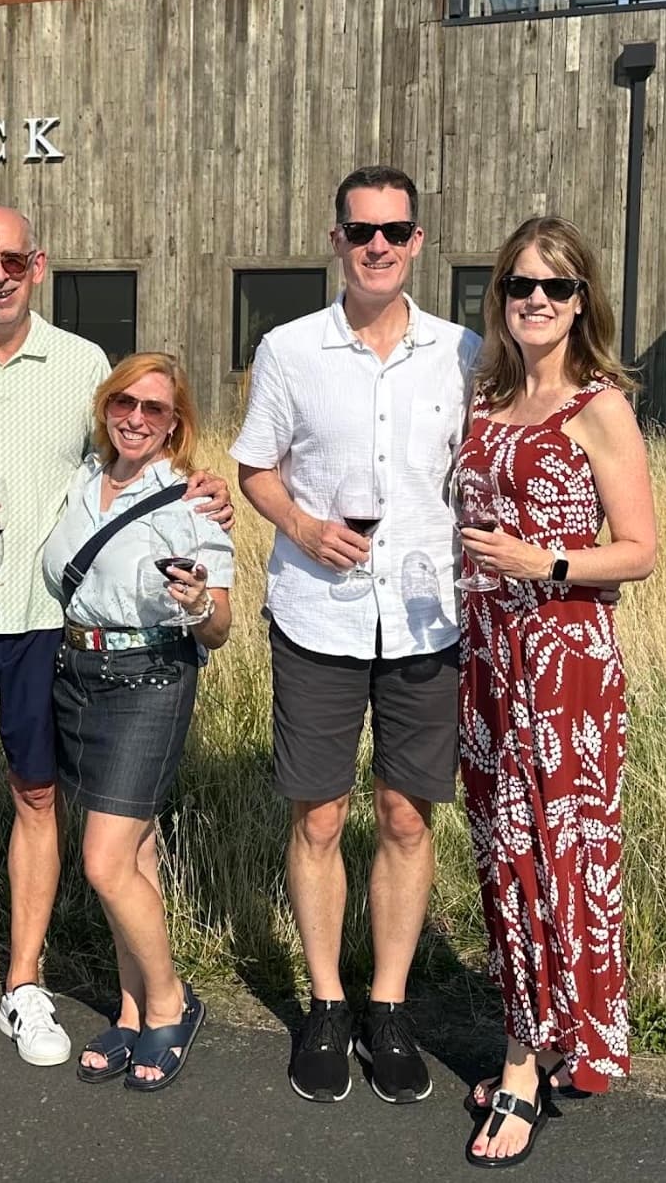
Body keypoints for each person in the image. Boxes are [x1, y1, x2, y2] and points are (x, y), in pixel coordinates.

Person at [0, 206, 233, 1099]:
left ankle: (24, 985)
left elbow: (130, 459)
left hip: (44, 629)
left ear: (38, 264)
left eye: (14, 258)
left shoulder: (82, 366)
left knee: (38, 799)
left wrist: (198, 487)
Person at [230, 165, 480, 1105]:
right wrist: (301, 527)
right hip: (318, 616)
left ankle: (388, 1004)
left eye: (395, 230)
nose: (378, 245)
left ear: (417, 242)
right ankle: (327, 1004)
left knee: (408, 816)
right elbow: (255, 467)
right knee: (321, 815)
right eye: (361, 230)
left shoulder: (463, 351)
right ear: (336, 240)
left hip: (425, 615)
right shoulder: (291, 351)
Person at [454, 215, 657, 1168]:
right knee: (503, 856)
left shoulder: (599, 406)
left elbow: (642, 551)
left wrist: (547, 559)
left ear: (583, 305)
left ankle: (528, 1066)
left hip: (563, 657)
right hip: (488, 656)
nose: (536, 301)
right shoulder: (487, 400)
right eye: (519, 286)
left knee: (556, 856)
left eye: (556, 288)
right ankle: (535, 1033)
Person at [40, 353, 234, 1092]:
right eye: (126, 402)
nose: (137, 418)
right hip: (76, 675)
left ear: (176, 423)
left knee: (103, 860)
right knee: (136, 859)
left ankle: (173, 1003)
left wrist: (195, 605)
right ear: (106, 406)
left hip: (150, 677)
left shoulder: (192, 501)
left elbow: (217, 626)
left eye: (155, 409)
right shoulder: (78, 483)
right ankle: (131, 1008)